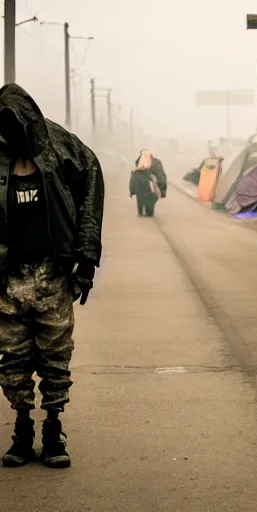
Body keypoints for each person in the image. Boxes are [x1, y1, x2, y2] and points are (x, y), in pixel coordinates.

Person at [0, 83, 104, 468]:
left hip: (51, 275)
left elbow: (92, 181)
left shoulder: (59, 146)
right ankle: (23, 430)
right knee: (12, 359)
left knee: (55, 358)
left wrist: (86, 254)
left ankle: (53, 429)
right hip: (7, 280)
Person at [130, 150, 167, 217]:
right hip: (151, 184)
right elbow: (160, 174)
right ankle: (149, 212)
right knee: (152, 197)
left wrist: (132, 190)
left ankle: (141, 212)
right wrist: (162, 187)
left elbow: (134, 176)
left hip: (140, 183)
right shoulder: (156, 162)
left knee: (140, 198)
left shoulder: (139, 161)